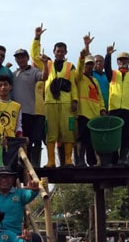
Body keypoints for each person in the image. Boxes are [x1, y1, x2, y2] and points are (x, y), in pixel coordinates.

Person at [31, 24, 78, 167]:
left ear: (66, 53)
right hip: (50, 102)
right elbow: (34, 54)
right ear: (54, 51)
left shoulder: (70, 66)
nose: (60, 54)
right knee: (51, 131)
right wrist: (37, 37)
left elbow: (74, 84)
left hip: (66, 103)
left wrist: (75, 100)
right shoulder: (48, 64)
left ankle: (68, 160)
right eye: (58, 51)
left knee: (67, 131)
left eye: (62, 52)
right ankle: (51, 161)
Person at [104, 47, 129, 164]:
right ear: (117, 62)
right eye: (120, 60)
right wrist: (108, 55)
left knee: (127, 134)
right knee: (113, 135)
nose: (123, 62)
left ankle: (123, 158)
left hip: (128, 109)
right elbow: (106, 67)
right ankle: (114, 159)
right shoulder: (113, 74)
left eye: (125, 60)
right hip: (114, 109)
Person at [12, 48, 47, 167]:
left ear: (27, 58)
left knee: (32, 140)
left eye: (22, 57)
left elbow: (44, 77)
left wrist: (45, 64)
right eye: (18, 57)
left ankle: (34, 164)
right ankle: (22, 163)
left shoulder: (33, 71)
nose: (20, 59)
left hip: (31, 111)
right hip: (17, 113)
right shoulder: (13, 74)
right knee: (20, 140)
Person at [75, 53, 106, 166]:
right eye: (87, 64)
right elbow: (78, 70)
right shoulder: (79, 77)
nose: (89, 66)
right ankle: (80, 161)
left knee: (93, 139)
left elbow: (100, 97)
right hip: (82, 112)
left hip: (94, 113)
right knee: (82, 137)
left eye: (91, 64)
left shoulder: (95, 80)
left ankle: (95, 162)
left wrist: (102, 109)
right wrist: (82, 56)